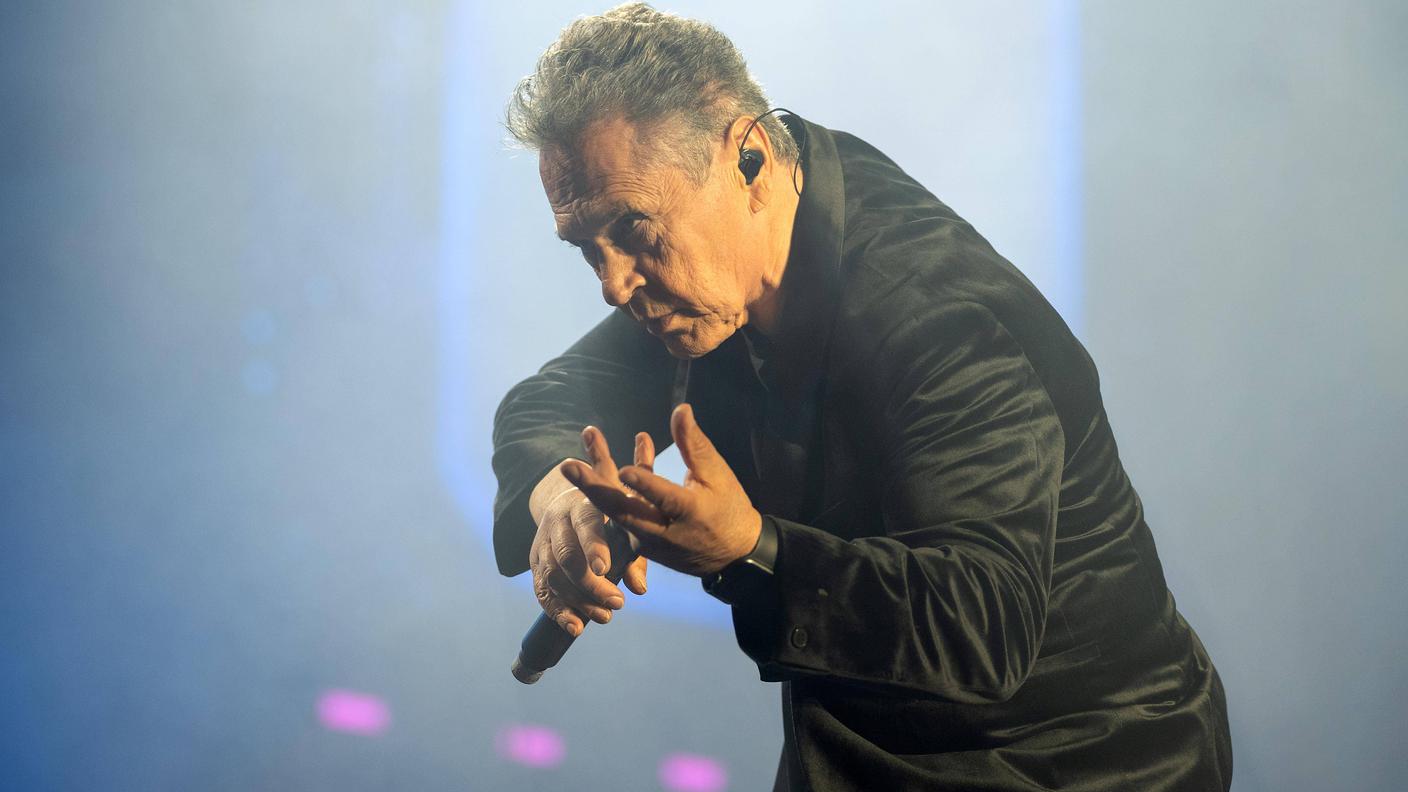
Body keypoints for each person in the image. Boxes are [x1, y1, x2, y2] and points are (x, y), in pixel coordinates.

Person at [490, 4, 1233, 790]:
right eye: (588, 249)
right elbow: (548, 404)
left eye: (633, 232)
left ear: (749, 160)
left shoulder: (936, 316)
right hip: (862, 745)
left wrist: (750, 548)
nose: (613, 285)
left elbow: (983, 623)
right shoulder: (720, 262)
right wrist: (561, 500)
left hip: (1077, 762)